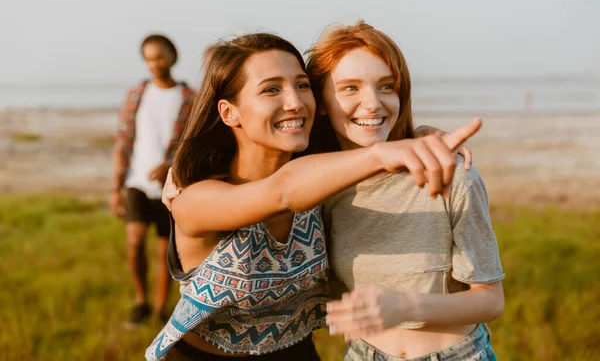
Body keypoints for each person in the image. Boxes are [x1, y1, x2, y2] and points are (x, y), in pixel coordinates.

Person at [145, 32, 481, 360]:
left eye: (302, 85)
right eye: (271, 89)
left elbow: (357, 132)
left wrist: (418, 135)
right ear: (229, 112)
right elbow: (282, 192)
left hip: (297, 352)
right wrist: (384, 153)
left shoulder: (320, 173)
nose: (295, 102)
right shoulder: (196, 199)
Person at [306, 21, 504, 361]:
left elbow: (490, 299)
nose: (372, 104)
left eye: (386, 87)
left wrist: (405, 305)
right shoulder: (319, 185)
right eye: (350, 88)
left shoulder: (452, 176)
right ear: (320, 101)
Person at [111, 34, 194, 328]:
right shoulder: (137, 94)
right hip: (136, 181)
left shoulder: (189, 98)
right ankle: (141, 302)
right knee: (134, 242)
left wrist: (171, 164)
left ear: (173, 56)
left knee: (164, 251)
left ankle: (160, 310)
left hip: (170, 186)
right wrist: (115, 187)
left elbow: (193, 143)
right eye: (149, 58)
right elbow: (123, 140)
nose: (155, 63)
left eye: (160, 56)